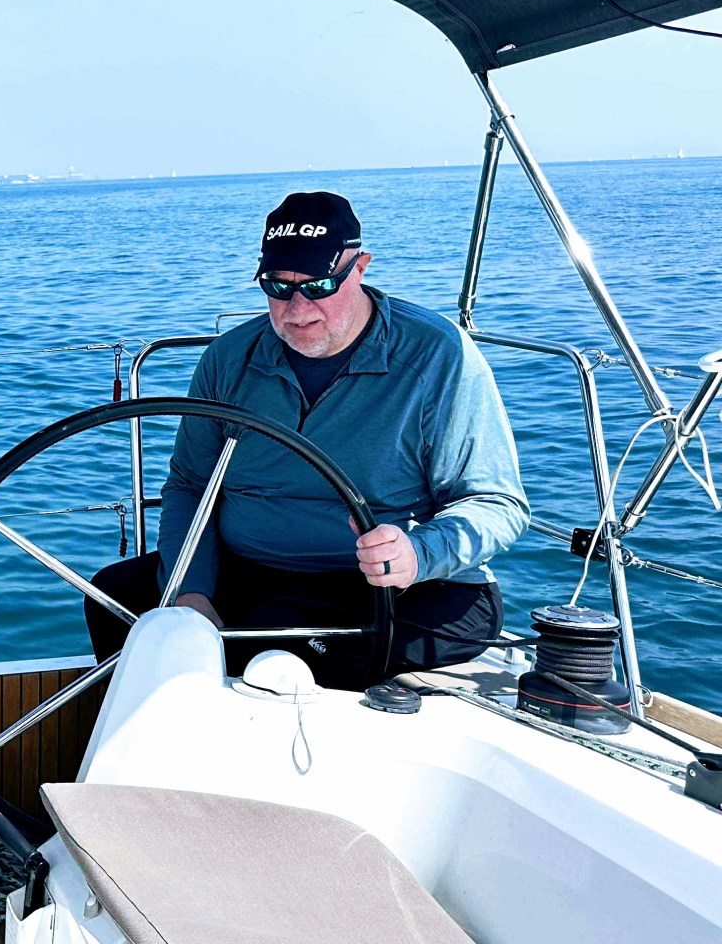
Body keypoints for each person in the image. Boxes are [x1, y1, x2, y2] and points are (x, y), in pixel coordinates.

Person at [84, 192, 529, 688]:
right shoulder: (228, 359)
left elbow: (497, 503)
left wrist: (419, 552)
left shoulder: (437, 356)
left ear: (359, 267)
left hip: (404, 586)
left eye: (317, 286)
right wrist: (190, 593)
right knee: (115, 597)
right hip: (253, 573)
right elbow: (190, 484)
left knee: (279, 641)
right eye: (277, 287)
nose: (297, 309)